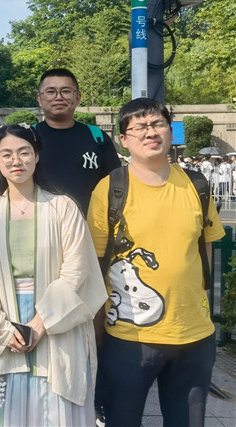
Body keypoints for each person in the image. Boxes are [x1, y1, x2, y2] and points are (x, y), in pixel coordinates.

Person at [87, 99, 225, 427]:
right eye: (140, 127)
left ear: (170, 132)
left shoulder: (197, 185)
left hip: (193, 335)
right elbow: (94, 263)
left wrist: (200, 302)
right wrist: (96, 328)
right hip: (129, 337)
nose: (150, 132)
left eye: (157, 124)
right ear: (124, 139)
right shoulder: (109, 190)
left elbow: (205, 247)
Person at [0, 123, 107, 426]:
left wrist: (40, 324)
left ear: (37, 155)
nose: (16, 161)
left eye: (24, 152)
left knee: (54, 407)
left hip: (57, 320)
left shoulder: (63, 207)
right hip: (5, 320)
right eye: (6, 154)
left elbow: (76, 269)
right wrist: (2, 331)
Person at [34, 68, 119, 213]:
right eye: (50, 92)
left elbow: (115, 183)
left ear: (78, 97)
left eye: (66, 91)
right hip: (42, 222)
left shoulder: (97, 137)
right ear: (39, 99)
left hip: (90, 222)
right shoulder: (29, 139)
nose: (58, 97)